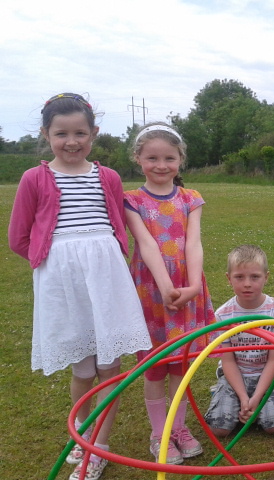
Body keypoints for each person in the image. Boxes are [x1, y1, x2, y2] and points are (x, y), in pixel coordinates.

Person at [8, 93, 152, 480]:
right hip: (62, 282)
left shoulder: (108, 177)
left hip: (105, 276)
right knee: (84, 368)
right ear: (46, 134)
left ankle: (98, 449)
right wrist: (54, 261)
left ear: (94, 133)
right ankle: (82, 433)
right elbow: (19, 237)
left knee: (110, 365)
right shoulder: (34, 178)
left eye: (80, 133)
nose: (71, 142)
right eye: (61, 134)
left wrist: (99, 257)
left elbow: (116, 223)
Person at [124, 122, 216, 465]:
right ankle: (159, 433)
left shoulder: (191, 198)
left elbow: (194, 243)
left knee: (181, 363)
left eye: (169, 158)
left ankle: (179, 429)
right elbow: (146, 244)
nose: (161, 165)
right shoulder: (132, 200)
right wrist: (165, 287)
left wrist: (192, 286)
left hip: (187, 285)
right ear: (138, 158)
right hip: (151, 290)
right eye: (152, 158)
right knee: (155, 366)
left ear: (180, 160)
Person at [204, 245, 274, 436]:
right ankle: (234, 400)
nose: (247, 284)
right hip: (235, 376)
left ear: (266, 277)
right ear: (229, 278)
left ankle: (252, 407)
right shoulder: (223, 315)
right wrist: (244, 397)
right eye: (239, 277)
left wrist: (257, 397)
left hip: (267, 376)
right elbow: (228, 361)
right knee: (219, 428)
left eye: (255, 277)